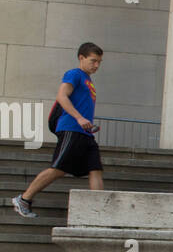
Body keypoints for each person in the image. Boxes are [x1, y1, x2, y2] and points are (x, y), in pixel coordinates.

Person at [11, 42, 104, 217]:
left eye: (99, 62)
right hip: (72, 129)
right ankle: (23, 199)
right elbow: (61, 96)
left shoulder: (87, 80)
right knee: (59, 168)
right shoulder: (74, 74)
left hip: (85, 133)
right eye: (93, 61)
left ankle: (99, 212)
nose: (97, 65)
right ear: (81, 58)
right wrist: (79, 118)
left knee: (95, 168)